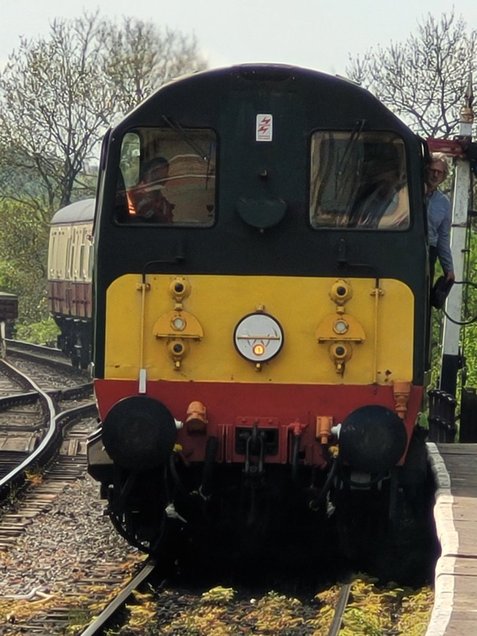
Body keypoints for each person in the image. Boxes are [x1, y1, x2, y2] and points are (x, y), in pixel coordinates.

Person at [425, 153, 454, 284]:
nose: (435, 175)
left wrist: (448, 269)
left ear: (444, 176)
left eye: (439, 172)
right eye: (433, 170)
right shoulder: (407, 193)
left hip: (429, 253)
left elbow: (443, 237)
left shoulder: (443, 203)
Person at [134, 157, 175, 223]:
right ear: (145, 175)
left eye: (163, 179)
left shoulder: (164, 204)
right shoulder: (133, 197)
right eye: (154, 174)